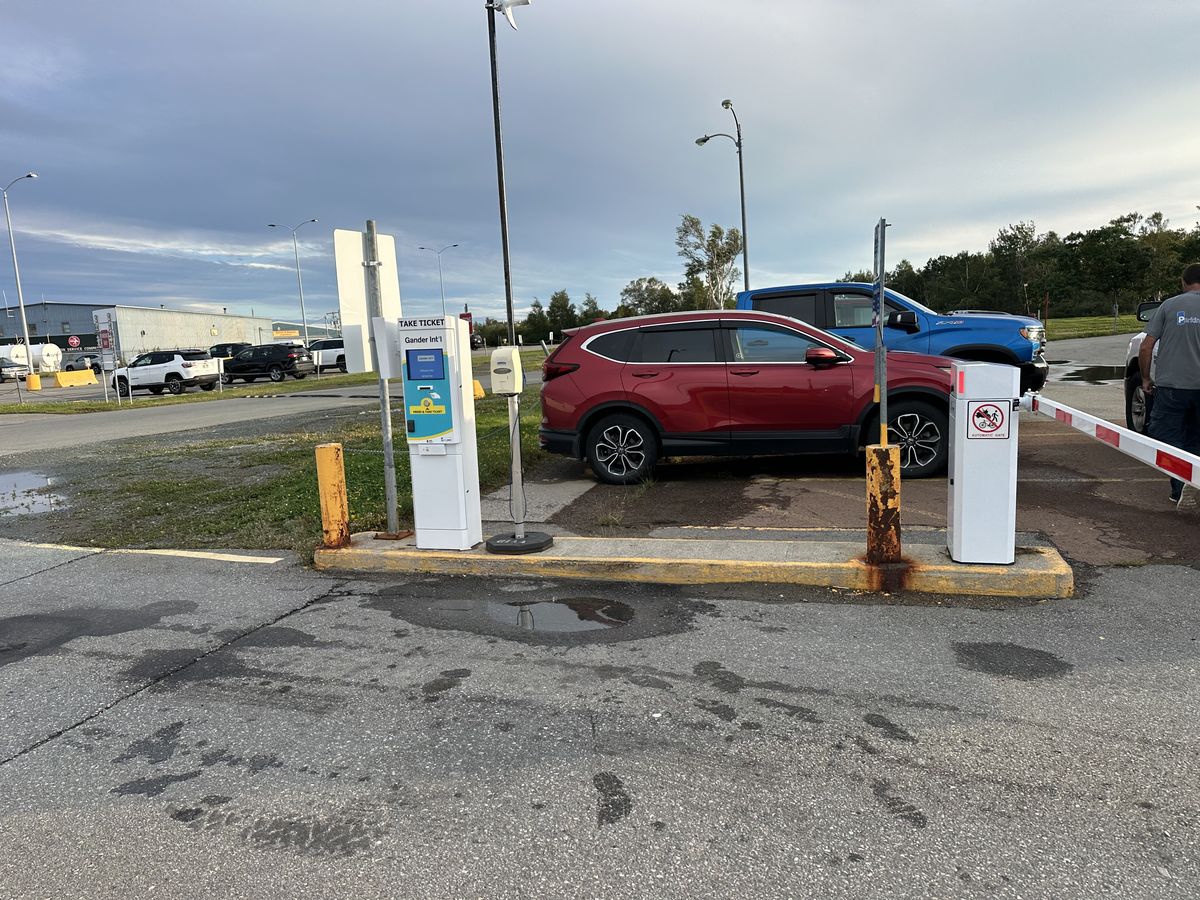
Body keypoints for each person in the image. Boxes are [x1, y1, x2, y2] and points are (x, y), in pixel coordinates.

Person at [1139, 263, 1200, 503]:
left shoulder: (1169, 306)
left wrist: (1145, 377)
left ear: (1183, 282)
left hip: (1172, 388)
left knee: (1170, 439)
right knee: (1196, 438)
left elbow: (1146, 346)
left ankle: (1180, 487)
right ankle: (1194, 482)